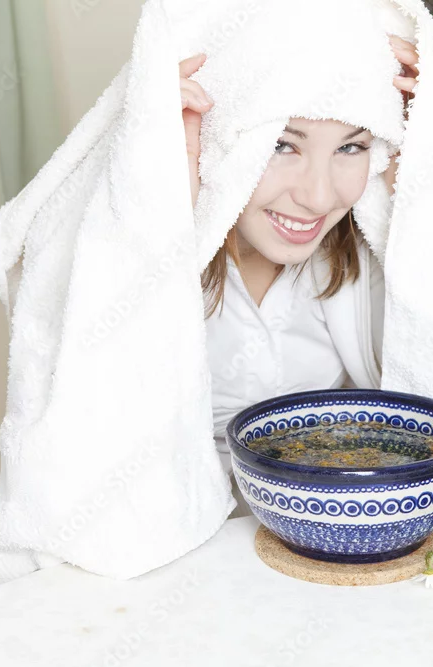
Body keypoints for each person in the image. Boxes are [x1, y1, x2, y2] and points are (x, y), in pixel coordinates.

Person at [179, 36, 420, 519]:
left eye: (351, 146)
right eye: (281, 145)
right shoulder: (142, 263)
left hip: (329, 525)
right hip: (177, 538)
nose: (318, 196)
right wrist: (165, 201)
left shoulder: (364, 253)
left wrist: (421, 181)